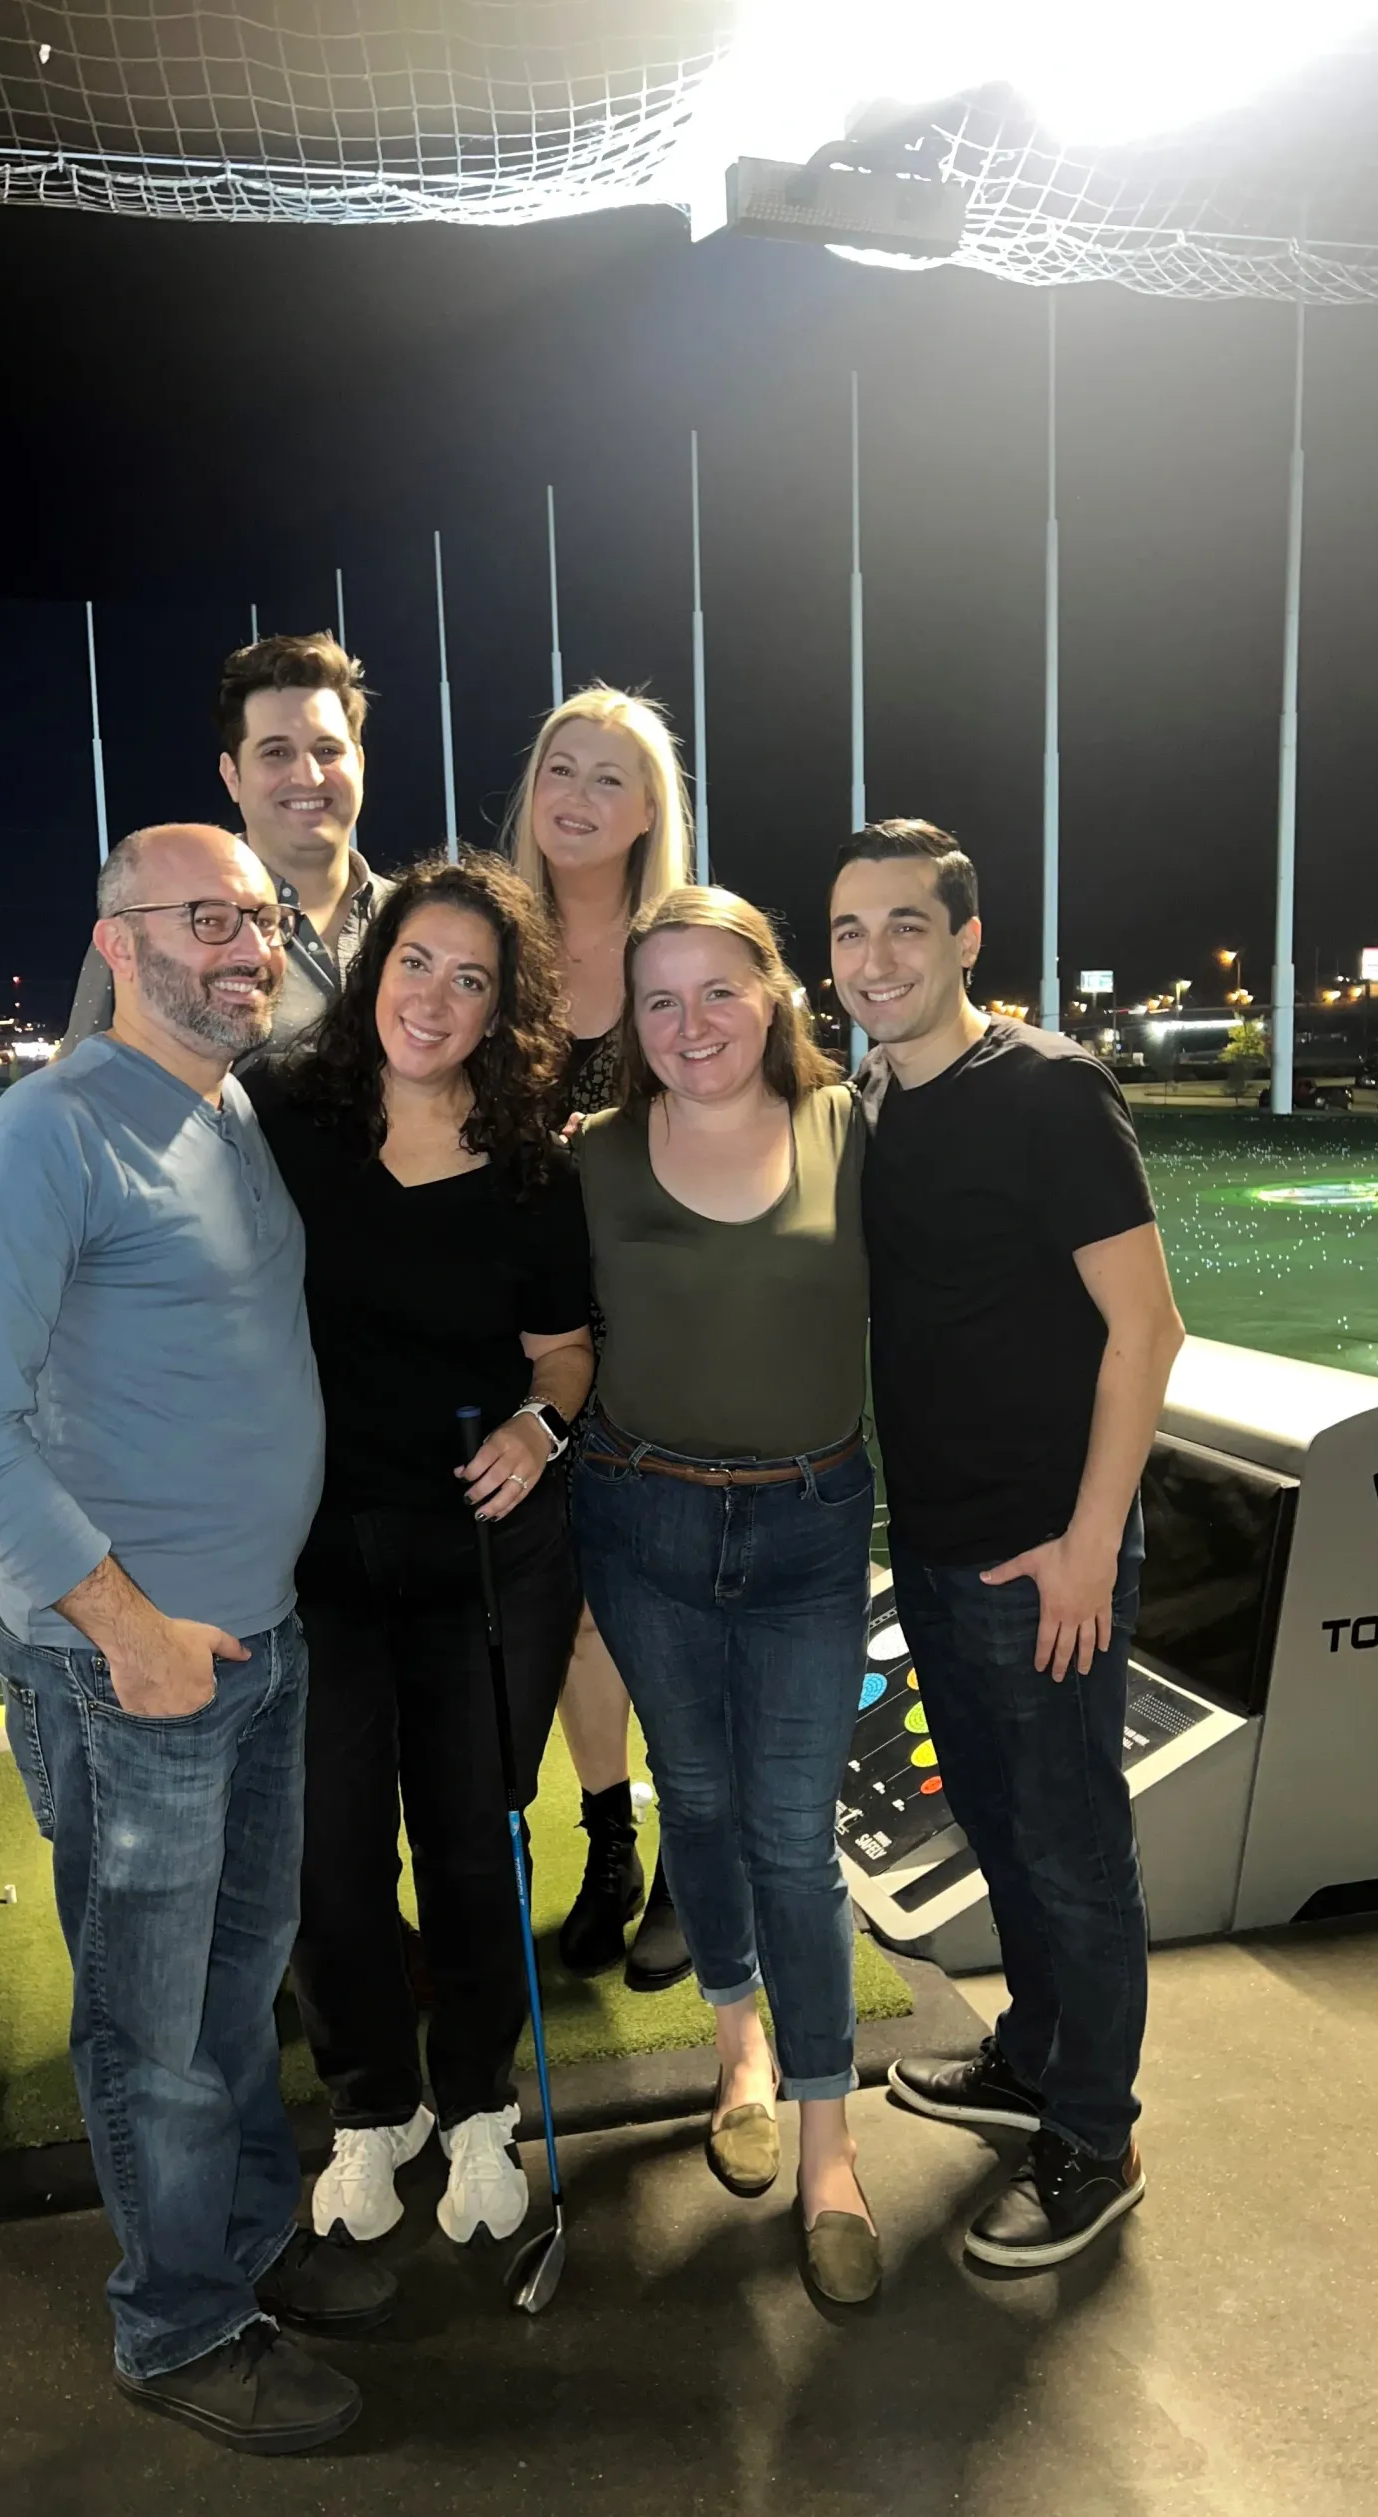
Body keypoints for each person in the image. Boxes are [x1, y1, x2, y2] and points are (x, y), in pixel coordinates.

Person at [0, 823, 391, 2458]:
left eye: (258, 917)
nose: (245, 945)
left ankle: (245, 2245)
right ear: (117, 941)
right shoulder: (49, 1131)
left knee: (236, 1992)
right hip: (134, 1676)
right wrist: (128, 1631)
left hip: (257, 1647)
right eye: (204, 918)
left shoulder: (228, 1107)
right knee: (155, 2027)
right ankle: (179, 2324)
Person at [829, 818, 1185, 2269]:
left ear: (968, 938)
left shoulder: (1047, 1088)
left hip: (1047, 1552)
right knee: (1001, 1823)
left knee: (1073, 1845)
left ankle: (1095, 2136)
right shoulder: (876, 1097)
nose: (875, 958)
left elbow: (1149, 1328)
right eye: (849, 931)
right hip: (937, 1546)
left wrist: (1091, 1543)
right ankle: (1036, 2059)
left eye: (906, 926)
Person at [245, 853, 592, 2254]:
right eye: (415, 964)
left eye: (471, 979)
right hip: (313, 1557)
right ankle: (372, 2104)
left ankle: (478, 2104)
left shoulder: (531, 1163)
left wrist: (536, 1428)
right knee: (330, 1856)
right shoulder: (280, 1114)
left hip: (481, 1564)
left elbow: (564, 1355)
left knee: (471, 1844)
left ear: (502, 1008)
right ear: (371, 970)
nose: (435, 998)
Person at [570, 884, 881, 2307]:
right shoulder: (592, 1156)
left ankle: (830, 2145)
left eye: (717, 991)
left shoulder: (853, 1132)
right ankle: (737, 2046)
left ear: (773, 994)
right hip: (643, 1520)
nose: (690, 1025)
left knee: (794, 1838)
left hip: (811, 1525)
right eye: (659, 1000)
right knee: (693, 1800)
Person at [503, 687, 695, 1988]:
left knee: (664, 1605)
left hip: (662, 1324)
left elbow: (750, 1109)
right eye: (559, 768)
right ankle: (611, 1844)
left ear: (647, 812)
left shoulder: (682, 944)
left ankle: (689, 1866)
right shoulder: (489, 942)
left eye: (607, 778)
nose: (575, 796)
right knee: (572, 1613)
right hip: (531, 1331)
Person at [59, 631, 381, 1058]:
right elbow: (84, 1082)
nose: (309, 776)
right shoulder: (153, 921)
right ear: (232, 777)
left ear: (359, 764)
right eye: (276, 753)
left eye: (327, 751)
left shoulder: (414, 920)